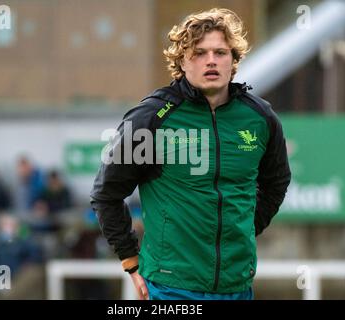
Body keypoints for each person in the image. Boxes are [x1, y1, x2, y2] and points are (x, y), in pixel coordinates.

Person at [90, 8, 291, 300]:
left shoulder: (261, 118)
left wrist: (245, 228)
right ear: (182, 60)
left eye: (220, 52)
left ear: (233, 60)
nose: (211, 60)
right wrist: (130, 261)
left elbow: (277, 182)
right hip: (171, 287)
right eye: (199, 52)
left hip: (237, 286)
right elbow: (106, 193)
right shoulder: (151, 117)